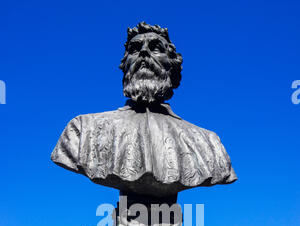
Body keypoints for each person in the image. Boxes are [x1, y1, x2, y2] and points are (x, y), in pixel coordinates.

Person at [51, 22, 237, 198]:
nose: (144, 53)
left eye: (155, 48)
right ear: (125, 65)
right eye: (134, 49)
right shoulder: (84, 128)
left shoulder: (207, 141)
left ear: (171, 65)